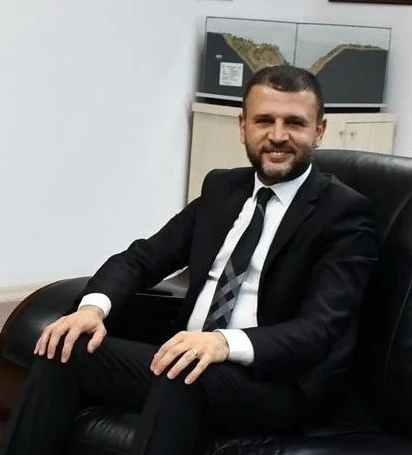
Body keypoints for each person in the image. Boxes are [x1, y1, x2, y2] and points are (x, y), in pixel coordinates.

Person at [1, 65, 378, 455]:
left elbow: (319, 329)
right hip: (188, 362)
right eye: (264, 120)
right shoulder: (223, 189)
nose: (278, 135)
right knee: (65, 348)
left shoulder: (344, 213)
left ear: (319, 130)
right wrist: (92, 309)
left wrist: (222, 343)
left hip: (274, 382)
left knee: (184, 371)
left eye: (294, 123)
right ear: (243, 126)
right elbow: (141, 258)